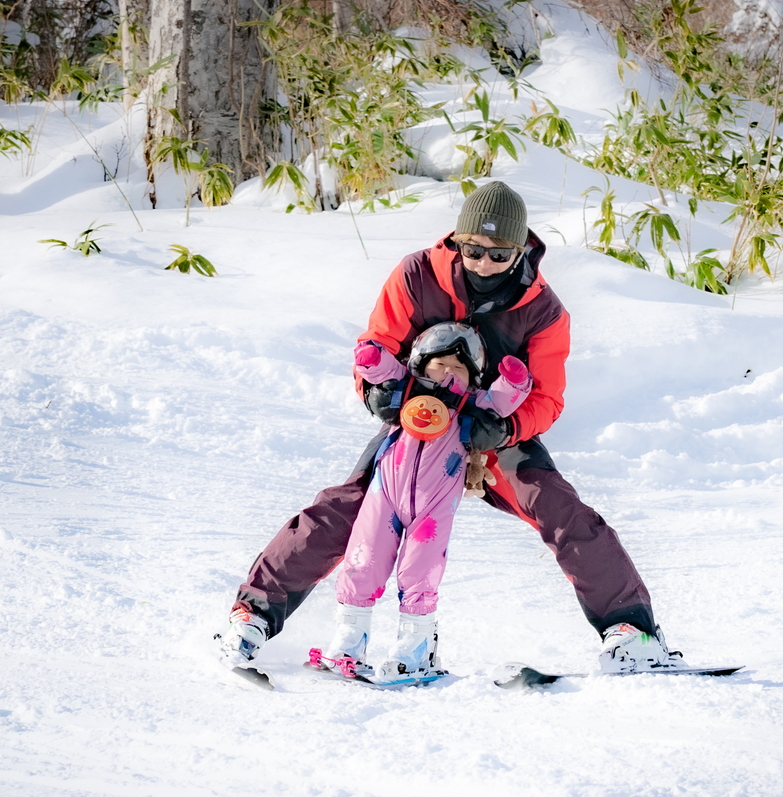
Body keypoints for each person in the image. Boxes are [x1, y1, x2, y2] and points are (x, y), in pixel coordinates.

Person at [220, 180, 682, 676]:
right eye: (473, 250)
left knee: (557, 506)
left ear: (521, 249)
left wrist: (504, 430)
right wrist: (375, 392)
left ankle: (633, 631)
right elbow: (376, 348)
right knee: (347, 506)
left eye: (498, 255)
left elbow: (547, 398)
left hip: (491, 426)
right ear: (456, 241)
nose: (483, 264)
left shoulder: (543, 311)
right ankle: (253, 614)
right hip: (420, 423)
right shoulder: (417, 274)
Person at [310, 324, 533, 680]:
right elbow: (385, 370)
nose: (448, 372)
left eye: (459, 367)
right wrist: (370, 359)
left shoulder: (469, 406)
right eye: (440, 363)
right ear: (421, 363)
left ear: (471, 376)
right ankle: (349, 640)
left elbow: (502, 400)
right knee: (363, 558)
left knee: (420, 568)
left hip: (434, 508)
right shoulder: (407, 391)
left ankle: (415, 647)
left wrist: (514, 380)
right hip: (385, 495)